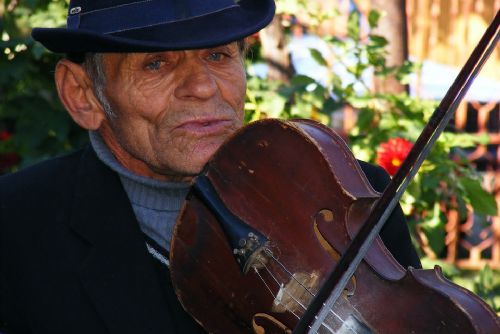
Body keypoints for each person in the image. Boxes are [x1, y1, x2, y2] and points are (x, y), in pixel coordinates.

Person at [0, 0, 420, 333]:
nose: (202, 87)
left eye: (218, 55)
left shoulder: (351, 191)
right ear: (82, 95)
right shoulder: (17, 226)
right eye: (156, 64)